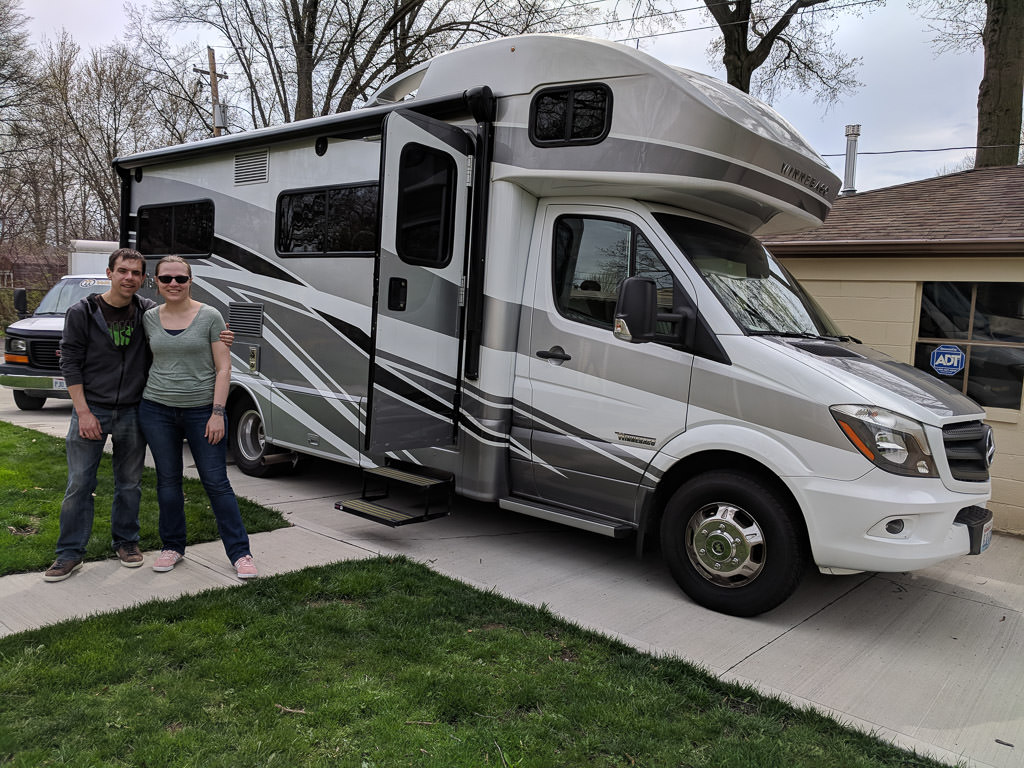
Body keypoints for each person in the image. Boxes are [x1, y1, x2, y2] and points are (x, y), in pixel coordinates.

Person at [139, 256, 257, 579]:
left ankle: (240, 553)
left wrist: (218, 413)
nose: (173, 284)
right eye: (166, 279)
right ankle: (172, 546)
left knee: (217, 483)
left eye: (180, 278)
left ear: (191, 281)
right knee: (168, 482)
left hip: (203, 412)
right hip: (156, 410)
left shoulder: (210, 317)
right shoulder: (149, 317)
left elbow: (224, 368)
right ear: (157, 281)